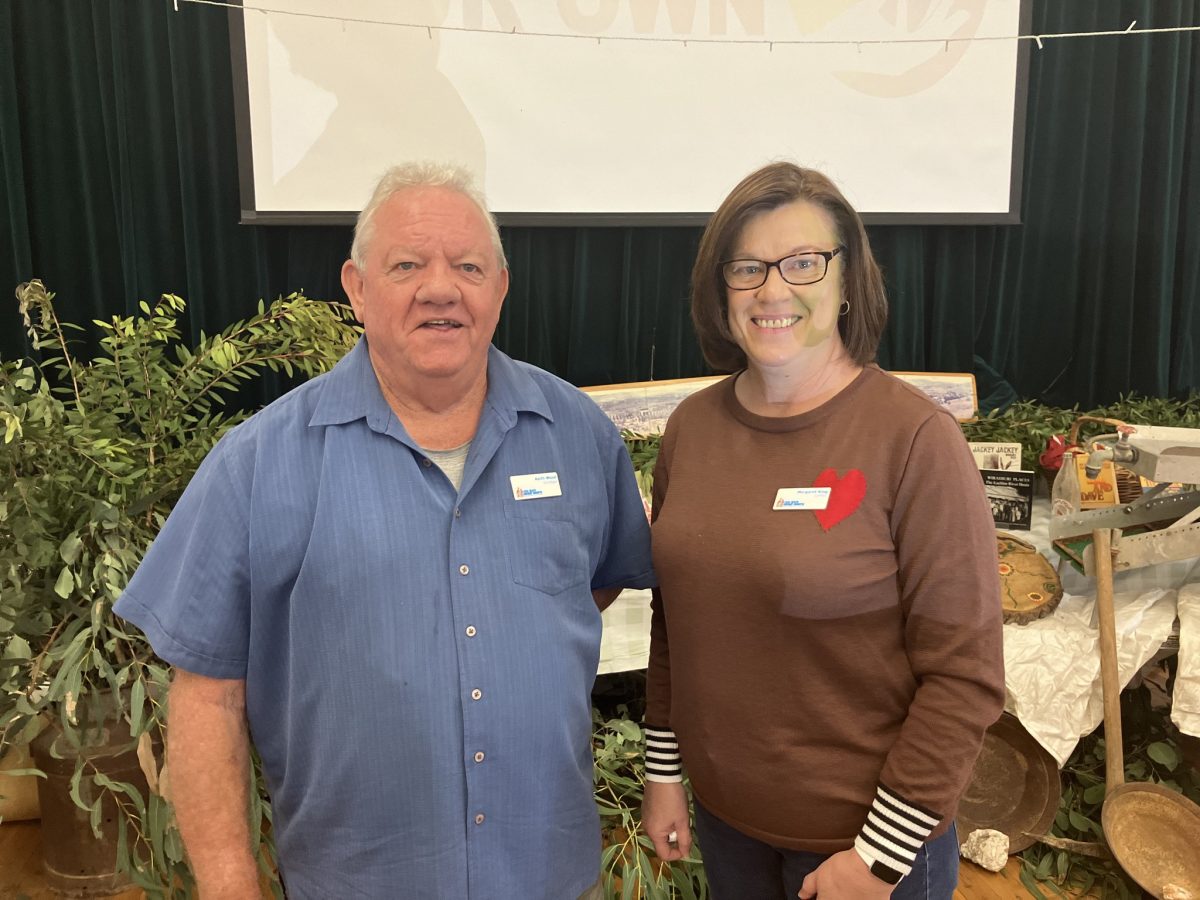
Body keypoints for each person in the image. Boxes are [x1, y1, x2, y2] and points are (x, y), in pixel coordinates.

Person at [114, 162, 654, 900]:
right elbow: (207, 695)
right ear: (357, 289)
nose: (441, 287)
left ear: (499, 287)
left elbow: (594, 586)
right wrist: (230, 884)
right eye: (407, 265)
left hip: (552, 877)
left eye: (468, 265)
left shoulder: (579, 438)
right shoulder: (257, 465)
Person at [639, 162, 1004, 900]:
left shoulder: (913, 440)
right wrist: (663, 774)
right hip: (727, 823)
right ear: (721, 289)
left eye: (803, 262)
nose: (774, 291)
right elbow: (673, 624)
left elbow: (965, 676)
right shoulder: (692, 430)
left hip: (863, 851)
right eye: (748, 268)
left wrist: (877, 858)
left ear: (847, 282)